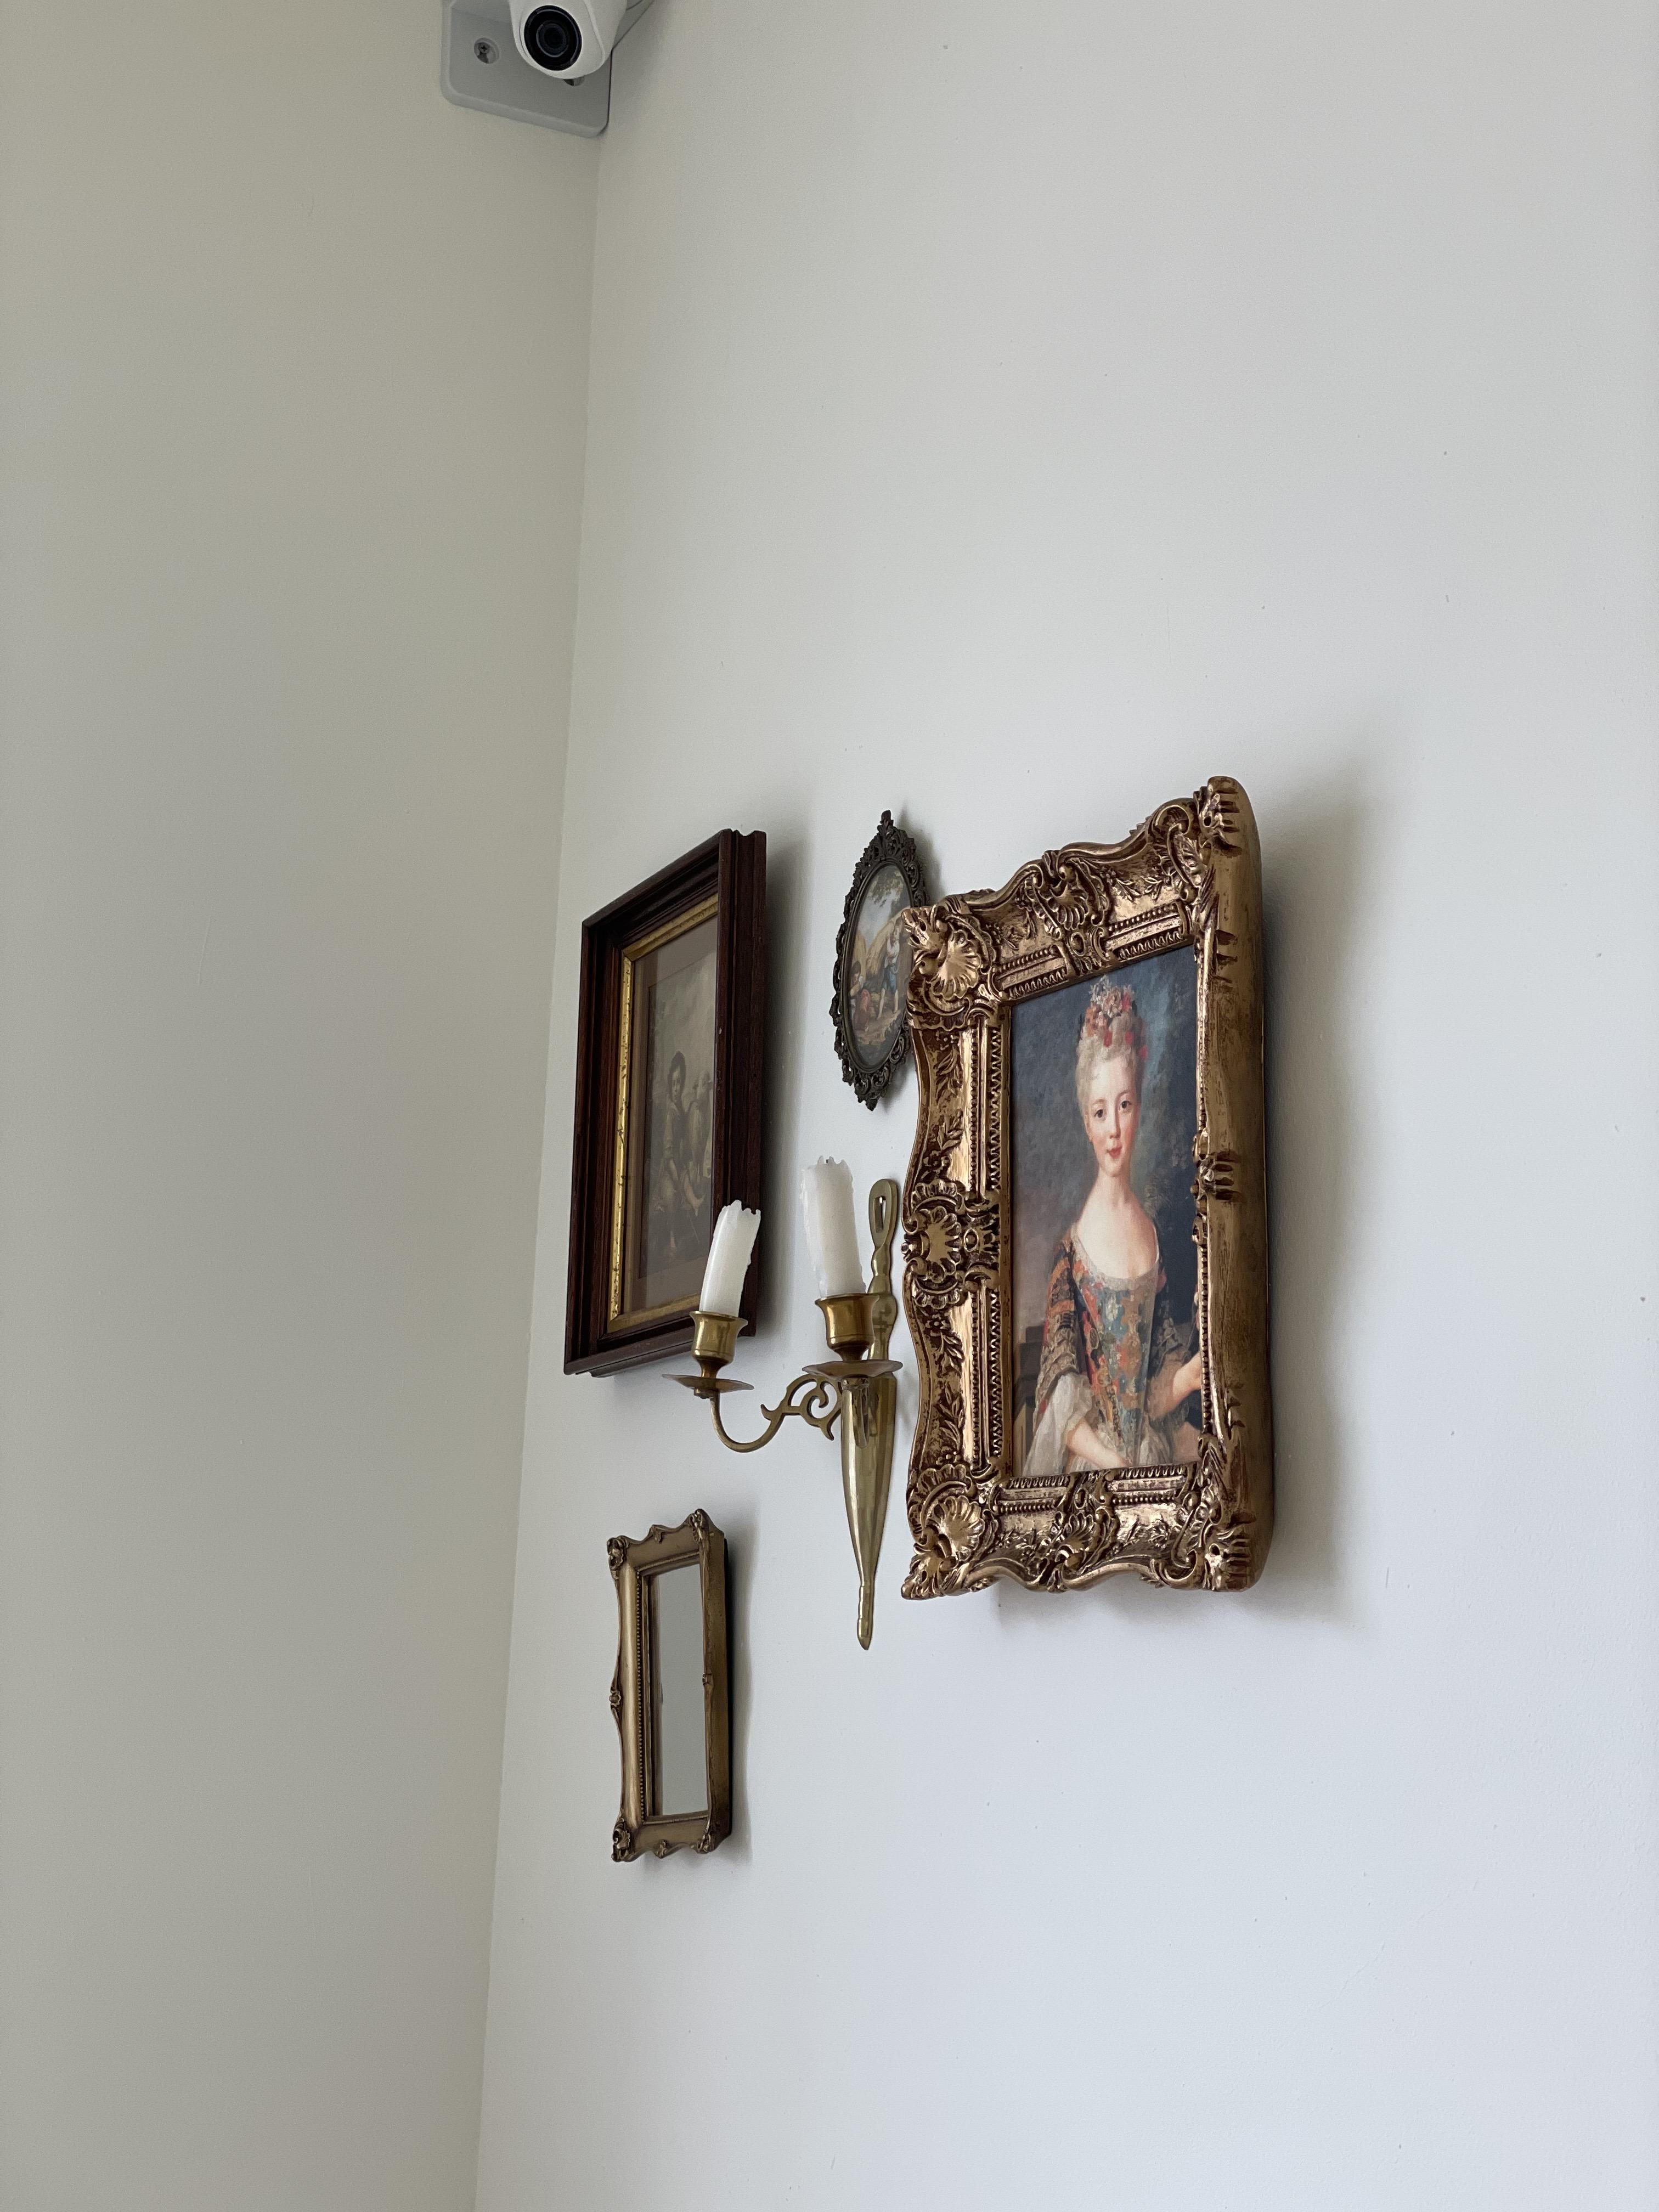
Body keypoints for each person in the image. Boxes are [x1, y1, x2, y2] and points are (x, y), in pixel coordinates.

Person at [1025, 979, 1203, 1476]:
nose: (1114, 1130)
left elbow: (1152, 1399)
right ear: (1086, 1122)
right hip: (1095, 1465)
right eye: (1101, 1112)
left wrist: (1192, 1374)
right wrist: (1112, 1461)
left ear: (1139, 1109)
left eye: (1124, 1106)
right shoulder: (1072, 1252)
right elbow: (1060, 1396)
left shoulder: (1152, 1235)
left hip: (1149, 1456)